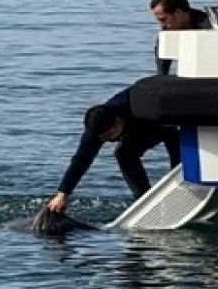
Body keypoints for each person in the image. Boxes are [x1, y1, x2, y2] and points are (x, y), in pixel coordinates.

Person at [45, 84, 180, 215]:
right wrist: (62, 194)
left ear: (118, 121)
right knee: (124, 154)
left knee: (169, 137)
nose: (105, 140)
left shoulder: (140, 109)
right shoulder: (97, 127)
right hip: (139, 125)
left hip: (161, 113)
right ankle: (144, 199)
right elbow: (81, 160)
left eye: (109, 136)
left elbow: (173, 135)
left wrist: (177, 173)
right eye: (102, 138)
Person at [150, 0, 211, 75]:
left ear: (178, 13)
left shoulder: (210, 28)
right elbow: (161, 70)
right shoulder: (168, 32)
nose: (161, 25)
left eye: (163, 19)